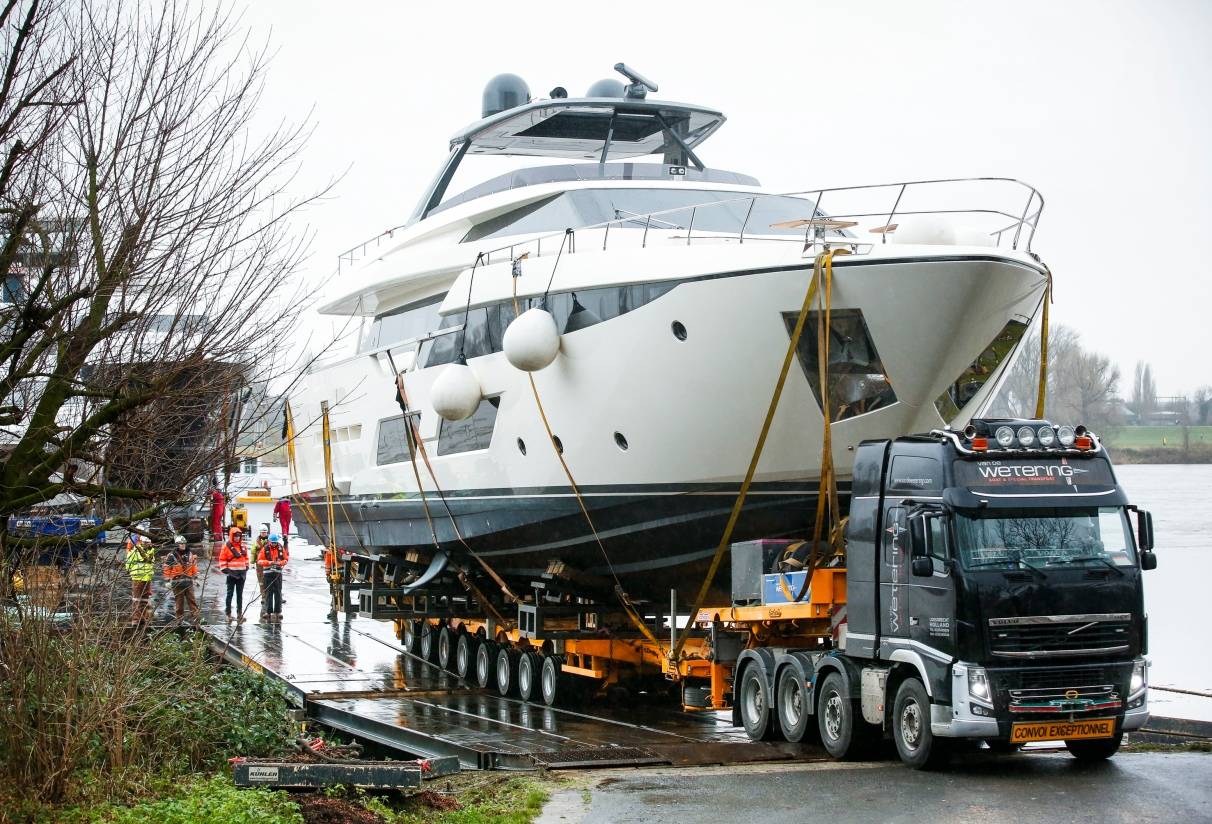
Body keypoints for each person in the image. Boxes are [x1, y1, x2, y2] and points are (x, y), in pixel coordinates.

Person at [163, 535, 200, 625]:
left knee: (192, 602)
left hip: (188, 582)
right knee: (179, 603)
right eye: (181, 543)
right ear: (177, 544)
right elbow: (167, 568)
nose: (183, 545)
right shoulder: (172, 555)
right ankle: (179, 620)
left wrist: (196, 578)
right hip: (177, 583)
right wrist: (167, 581)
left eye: (184, 543)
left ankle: (196, 620)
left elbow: (194, 567)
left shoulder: (190, 554)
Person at [217, 526, 250, 624]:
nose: (237, 538)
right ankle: (228, 614)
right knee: (229, 594)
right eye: (235, 536)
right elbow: (222, 559)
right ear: (232, 536)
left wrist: (246, 566)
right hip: (231, 574)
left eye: (239, 536)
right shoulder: (226, 546)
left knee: (240, 595)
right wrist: (226, 570)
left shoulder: (243, 546)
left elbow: (246, 558)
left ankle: (239, 614)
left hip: (241, 575)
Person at [124, 534, 155, 625]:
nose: (147, 544)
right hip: (137, 578)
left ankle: (143, 618)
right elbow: (128, 563)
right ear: (142, 542)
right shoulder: (135, 551)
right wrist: (131, 572)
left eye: (148, 542)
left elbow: (151, 565)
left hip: (147, 578)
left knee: (145, 600)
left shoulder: (151, 552)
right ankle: (136, 619)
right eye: (145, 542)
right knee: (137, 599)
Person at [257, 533, 288, 622]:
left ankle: (278, 612)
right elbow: (259, 561)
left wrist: (280, 563)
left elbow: (286, 559)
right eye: (272, 542)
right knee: (268, 593)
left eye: (275, 542)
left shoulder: (280, 548)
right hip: (268, 574)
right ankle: (268, 612)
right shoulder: (265, 549)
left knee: (278, 592)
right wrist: (269, 563)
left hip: (277, 574)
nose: (274, 544)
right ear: (269, 542)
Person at [252, 525, 270, 617]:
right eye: (262, 532)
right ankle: (263, 596)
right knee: (261, 581)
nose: (264, 533)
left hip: (267, 564)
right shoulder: (256, 542)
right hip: (259, 564)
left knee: (268, 580)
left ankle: (268, 596)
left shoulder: (270, 541)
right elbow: (253, 552)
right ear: (260, 532)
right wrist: (252, 562)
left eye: (265, 532)